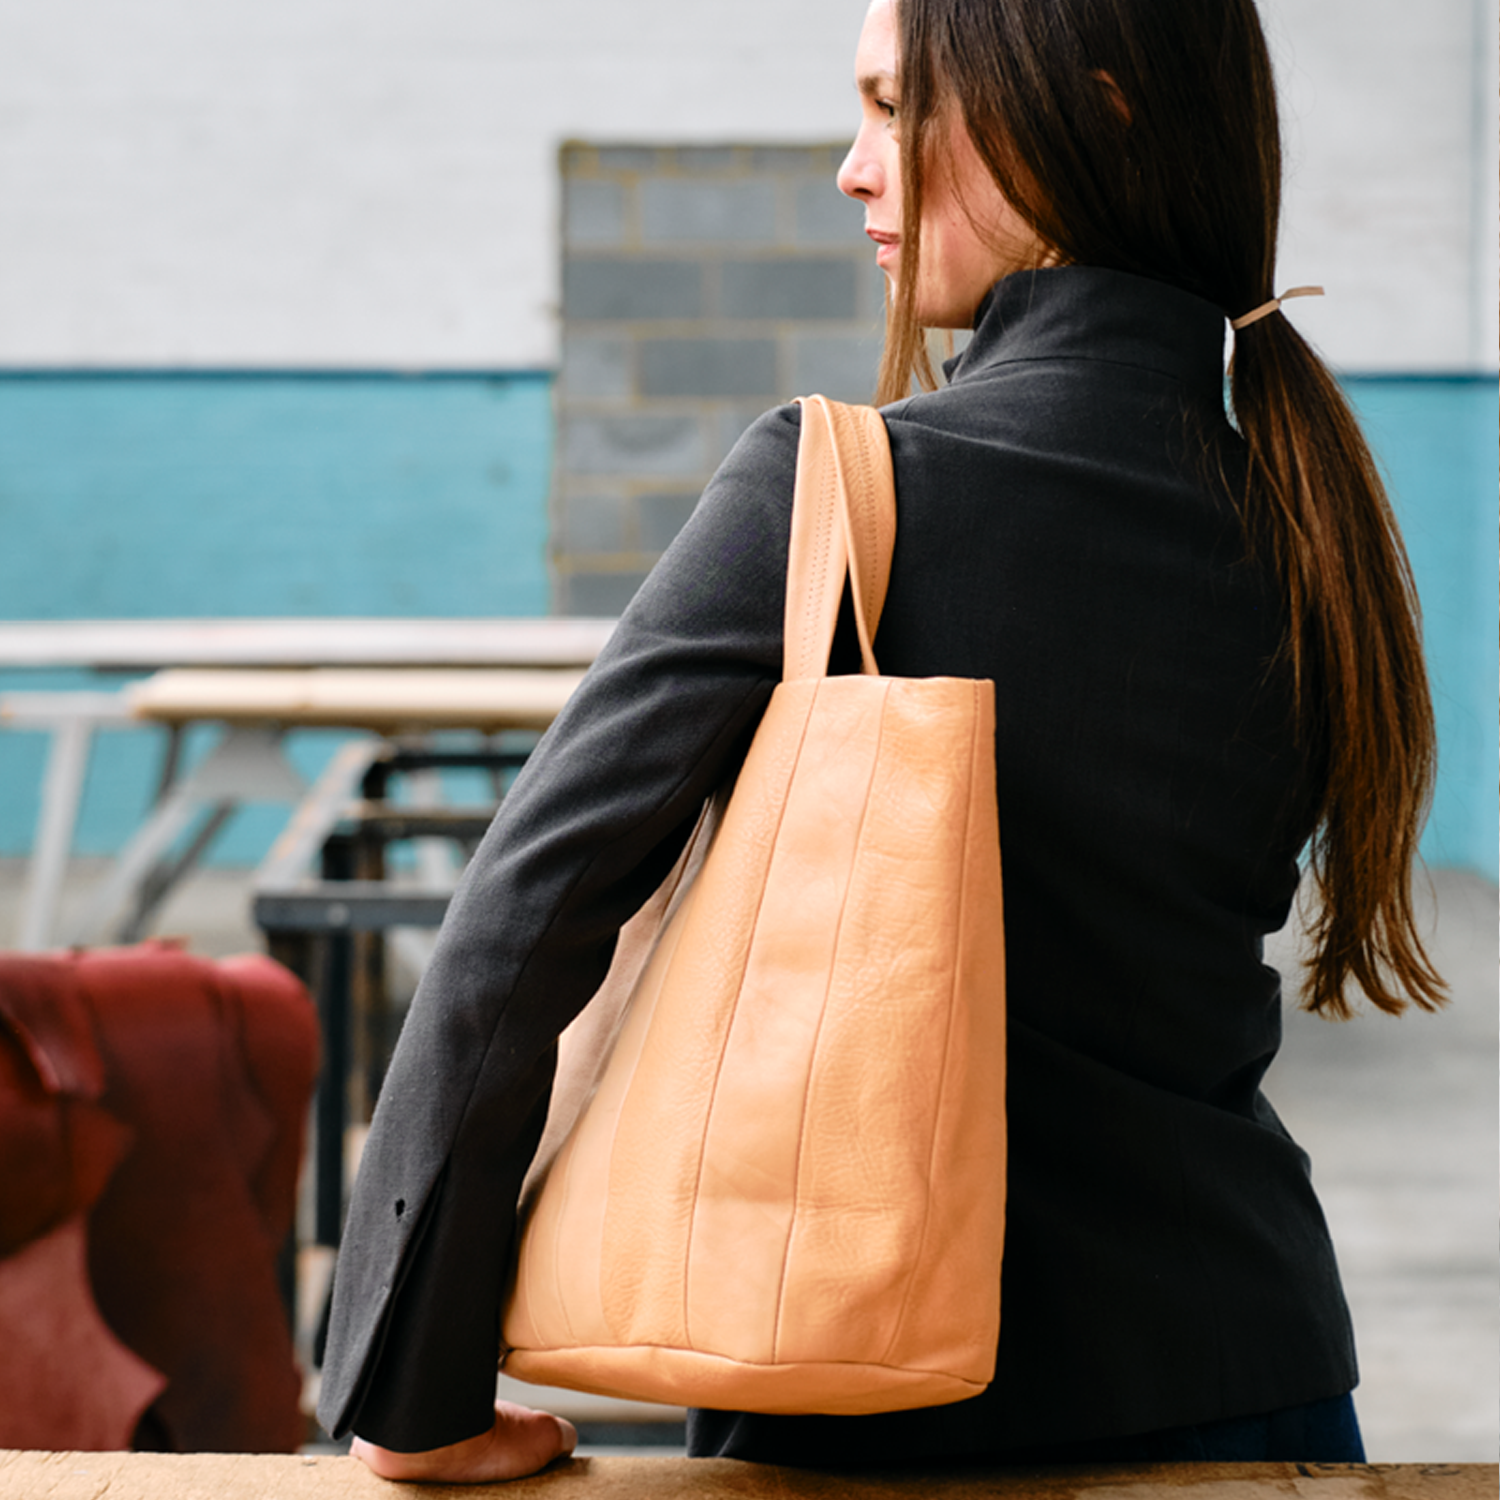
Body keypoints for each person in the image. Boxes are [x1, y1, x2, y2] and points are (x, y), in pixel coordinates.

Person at [319, 0, 1445, 1481]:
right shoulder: (1310, 526)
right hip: (1256, 1385)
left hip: (864, 1400)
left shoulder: (842, 490)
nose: (856, 168)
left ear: (1091, 114)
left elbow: (526, 920)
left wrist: (415, 1388)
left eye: (898, 108)